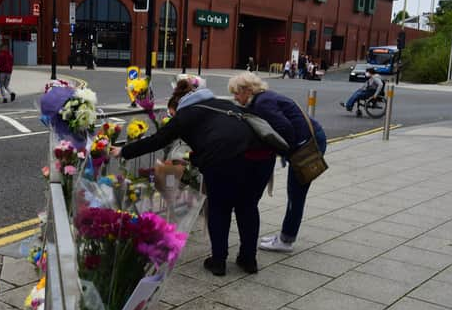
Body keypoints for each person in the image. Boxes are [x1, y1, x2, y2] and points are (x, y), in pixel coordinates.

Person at [110, 80, 275, 276]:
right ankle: (249, 260)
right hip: (262, 158)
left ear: (178, 106)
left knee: (219, 208)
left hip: (225, 159)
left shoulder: (185, 114)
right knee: (247, 206)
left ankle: (218, 261)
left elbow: (157, 140)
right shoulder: (224, 104)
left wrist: (123, 151)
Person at [228, 72, 327, 252]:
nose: (235, 97)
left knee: (296, 194)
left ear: (247, 90)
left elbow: (285, 130)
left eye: (236, 93)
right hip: (309, 139)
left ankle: (286, 240)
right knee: (295, 193)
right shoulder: (263, 99)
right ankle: (286, 236)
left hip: (306, 146)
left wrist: (279, 153)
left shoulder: (263, 103)